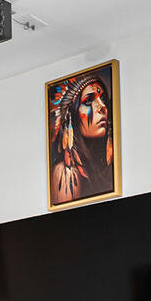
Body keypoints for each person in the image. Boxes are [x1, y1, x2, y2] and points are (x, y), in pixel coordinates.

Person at [49, 70, 115, 206]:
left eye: (102, 99)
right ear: (71, 115)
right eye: (89, 101)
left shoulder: (107, 164)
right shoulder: (66, 173)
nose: (102, 107)